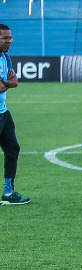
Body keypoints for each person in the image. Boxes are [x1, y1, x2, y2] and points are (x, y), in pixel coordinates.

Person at [0, 24, 30, 205]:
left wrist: (8, 82)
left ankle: (8, 193)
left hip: (3, 112)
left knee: (12, 149)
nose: (9, 41)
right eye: (5, 38)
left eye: (10, 38)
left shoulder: (5, 57)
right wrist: (7, 82)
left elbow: (14, 82)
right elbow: (3, 85)